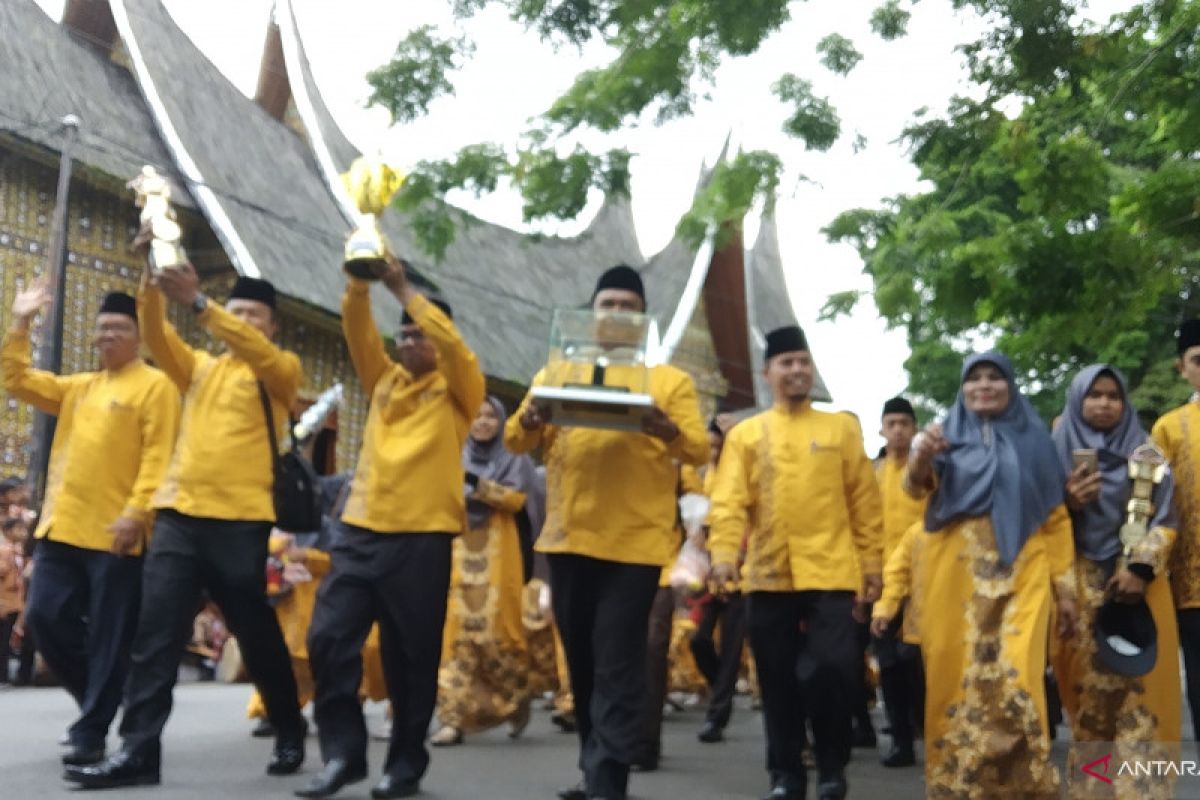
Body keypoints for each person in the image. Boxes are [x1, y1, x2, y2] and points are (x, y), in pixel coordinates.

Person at [67, 260, 308, 789]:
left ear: (270, 327)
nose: (241, 321)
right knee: (155, 637)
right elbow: (156, 331)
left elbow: (252, 347)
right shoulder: (199, 367)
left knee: (256, 633)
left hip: (241, 523)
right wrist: (152, 281)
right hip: (178, 516)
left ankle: (289, 725)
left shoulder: (279, 369)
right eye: (235, 310)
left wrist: (202, 303)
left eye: (252, 314)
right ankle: (138, 752)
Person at [505, 264, 708, 800]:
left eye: (627, 306)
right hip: (568, 540)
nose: (617, 314)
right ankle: (594, 768)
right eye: (607, 304)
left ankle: (607, 783)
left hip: (634, 547)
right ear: (591, 316)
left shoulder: (668, 381)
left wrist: (663, 426)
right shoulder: (557, 371)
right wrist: (528, 418)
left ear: (642, 319)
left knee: (618, 661)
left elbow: (697, 449)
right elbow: (516, 441)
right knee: (584, 662)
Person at [297, 256, 485, 800]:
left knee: (412, 660)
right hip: (359, 532)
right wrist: (359, 281)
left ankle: (405, 765)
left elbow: (456, 350)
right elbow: (357, 328)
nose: (409, 341)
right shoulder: (383, 380)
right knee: (328, 639)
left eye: (419, 334)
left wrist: (405, 290)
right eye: (402, 334)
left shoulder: (459, 391)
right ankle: (342, 756)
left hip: (422, 540)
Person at [2, 284, 179, 766]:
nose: (107, 336)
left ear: (138, 338)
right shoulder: (80, 388)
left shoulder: (155, 386)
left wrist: (137, 513)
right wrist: (20, 322)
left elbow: (159, 456)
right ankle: (98, 706)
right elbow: (16, 379)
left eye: (118, 329)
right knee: (44, 617)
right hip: (60, 529)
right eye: (102, 329)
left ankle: (92, 729)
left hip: (115, 534)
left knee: (108, 634)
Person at [709, 325, 883, 800]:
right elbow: (727, 503)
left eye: (804, 361)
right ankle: (785, 774)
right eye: (787, 363)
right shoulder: (747, 435)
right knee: (777, 677)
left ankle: (832, 765)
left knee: (833, 669)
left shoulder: (840, 428)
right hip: (768, 574)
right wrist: (724, 557)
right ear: (768, 373)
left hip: (831, 572)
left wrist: (872, 565)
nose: (797, 370)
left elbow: (864, 503)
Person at [894, 351, 1076, 799]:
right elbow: (915, 489)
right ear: (963, 389)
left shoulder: (1037, 442)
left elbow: (1055, 519)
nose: (984, 385)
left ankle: (1018, 787)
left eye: (995, 377)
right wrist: (921, 459)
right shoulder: (942, 437)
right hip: (955, 579)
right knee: (955, 682)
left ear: (1010, 386)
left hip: (1024, 575)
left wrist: (1066, 590)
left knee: (1017, 683)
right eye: (974, 378)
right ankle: (958, 785)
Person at [1051, 364, 1180, 798]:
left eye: (1113, 396)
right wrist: (1066, 503)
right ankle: (1095, 791)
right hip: (1079, 588)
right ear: (1077, 400)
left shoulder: (1145, 452)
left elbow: (1166, 519)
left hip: (1141, 591)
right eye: (1094, 395)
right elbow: (1038, 526)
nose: (1104, 403)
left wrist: (1140, 567)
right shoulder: (1054, 453)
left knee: (1143, 702)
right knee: (1090, 706)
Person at [431, 396, 543, 746]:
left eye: (490, 417)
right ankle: (453, 718)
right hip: (459, 547)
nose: (482, 423)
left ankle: (515, 698)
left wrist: (477, 487)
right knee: (456, 632)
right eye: (476, 416)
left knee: (496, 632)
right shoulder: (453, 453)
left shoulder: (515, 457)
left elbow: (517, 500)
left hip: (499, 551)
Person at [1150, 319, 1200, 743]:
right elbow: (1150, 501)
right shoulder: (1166, 428)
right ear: (1181, 368)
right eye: (1198, 361)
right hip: (1191, 583)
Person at [870, 397, 926, 768]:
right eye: (892, 423)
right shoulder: (872, 475)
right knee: (888, 663)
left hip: (923, 578)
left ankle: (927, 731)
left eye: (905, 423)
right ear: (881, 429)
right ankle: (901, 741)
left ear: (915, 429)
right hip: (881, 581)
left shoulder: (926, 474)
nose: (899, 430)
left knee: (918, 662)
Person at [689, 416, 747, 745]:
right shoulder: (705, 474)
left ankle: (717, 715)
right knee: (698, 638)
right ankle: (721, 687)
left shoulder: (742, 471)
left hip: (740, 568)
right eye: (709, 445)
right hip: (708, 568)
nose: (712, 451)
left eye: (718, 445)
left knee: (731, 646)